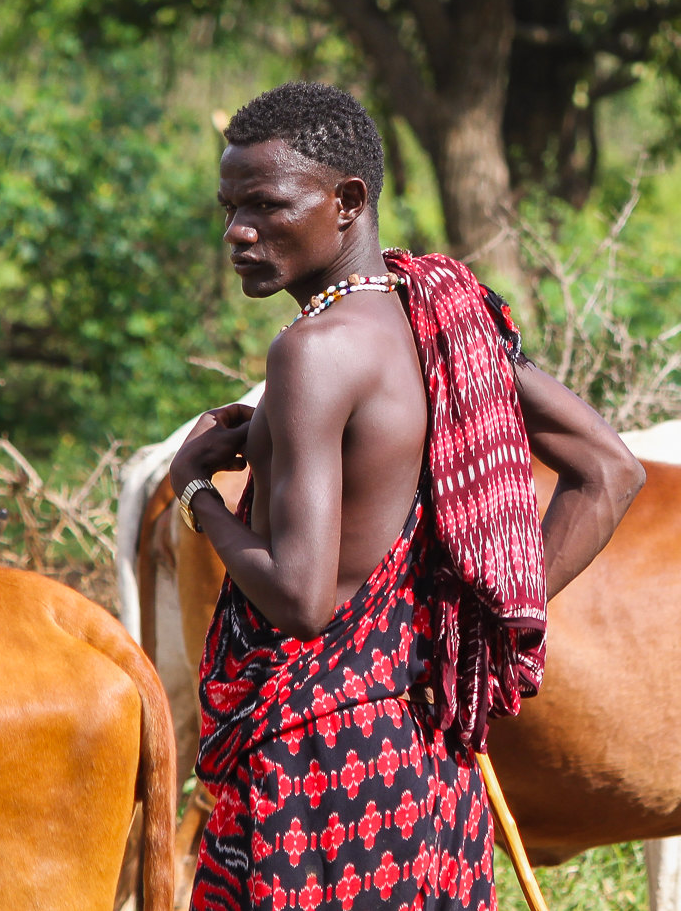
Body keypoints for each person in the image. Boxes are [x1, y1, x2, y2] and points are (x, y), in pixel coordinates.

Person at [167, 81, 645, 911]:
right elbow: (610, 468)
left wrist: (196, 491)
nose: (236, 232)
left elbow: (302, 599)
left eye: (265, 205)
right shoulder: (434, 319)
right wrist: (462, 634)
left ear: (347, 201)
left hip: (321, 764)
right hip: (422, 752)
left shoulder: (313, 353)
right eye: (228, 206)